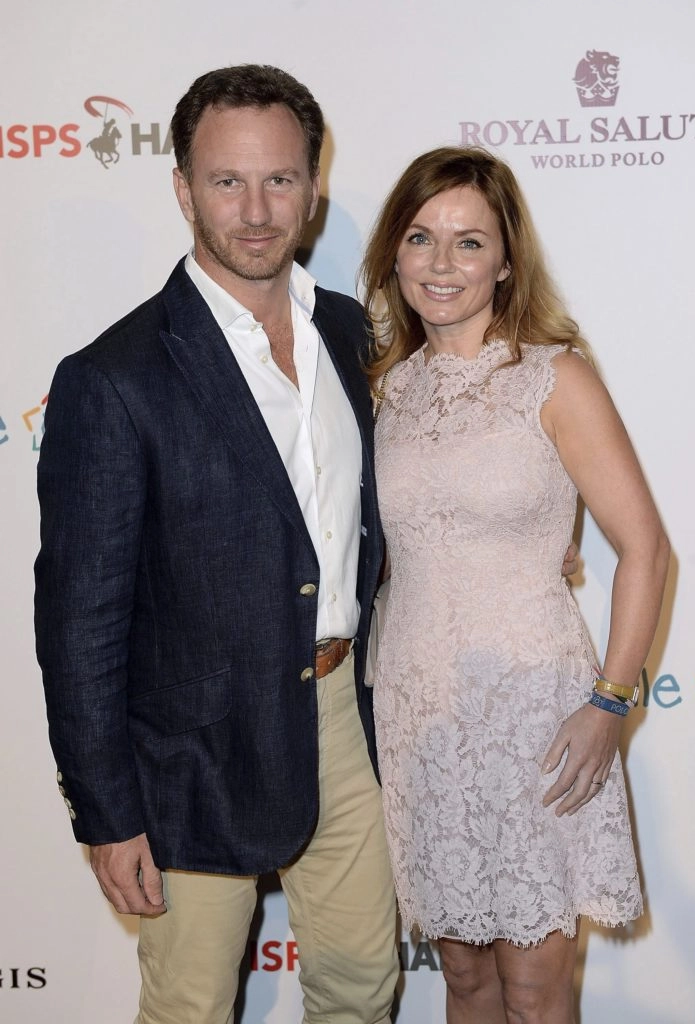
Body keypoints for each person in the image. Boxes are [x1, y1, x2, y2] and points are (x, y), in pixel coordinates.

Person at [34, 64, 400, 1024]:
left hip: (344, 717)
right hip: (189, 748)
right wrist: (107, 812)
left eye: (279, 179)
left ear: (313, 190)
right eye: (226, 181)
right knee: (190, 1007)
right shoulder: (114, 378)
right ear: (182, 188)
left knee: (363, 987)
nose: (256, 210)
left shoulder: (352, 334)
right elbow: (78, 623)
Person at [360, 146, 670, 1024]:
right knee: (465, 982)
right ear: (394, 254)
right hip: (420, 718)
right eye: (421, 238)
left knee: (535, 992)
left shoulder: (553, 376)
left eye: (469, 242)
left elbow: (645, 549)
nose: (442, 263)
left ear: (505, 261)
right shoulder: (385, 390)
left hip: (534, 717)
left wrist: (609, 703)